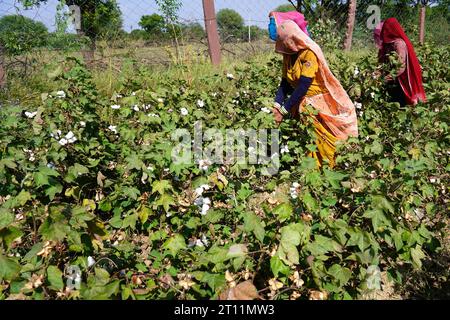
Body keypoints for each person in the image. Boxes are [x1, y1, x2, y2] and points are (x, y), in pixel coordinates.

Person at [269, 11, 358, 169]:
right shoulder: (288, 55)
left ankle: (328, 169)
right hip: (301, 102)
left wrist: (283, 110)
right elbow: (285, 83)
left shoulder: (309, 53)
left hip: (317, 102)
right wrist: (276, 104)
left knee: (322, 139)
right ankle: (310, 170)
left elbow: (303, 86)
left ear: (291, 39)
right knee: (308, 139)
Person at [374, 18, 426, 106]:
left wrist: (386, 78)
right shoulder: (387, 45)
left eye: (386, 28)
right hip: (393, 78)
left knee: (401, 101)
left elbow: (401, 67)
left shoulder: (399, 44)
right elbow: (382, 62)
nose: (384, 31)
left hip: (401, 79)